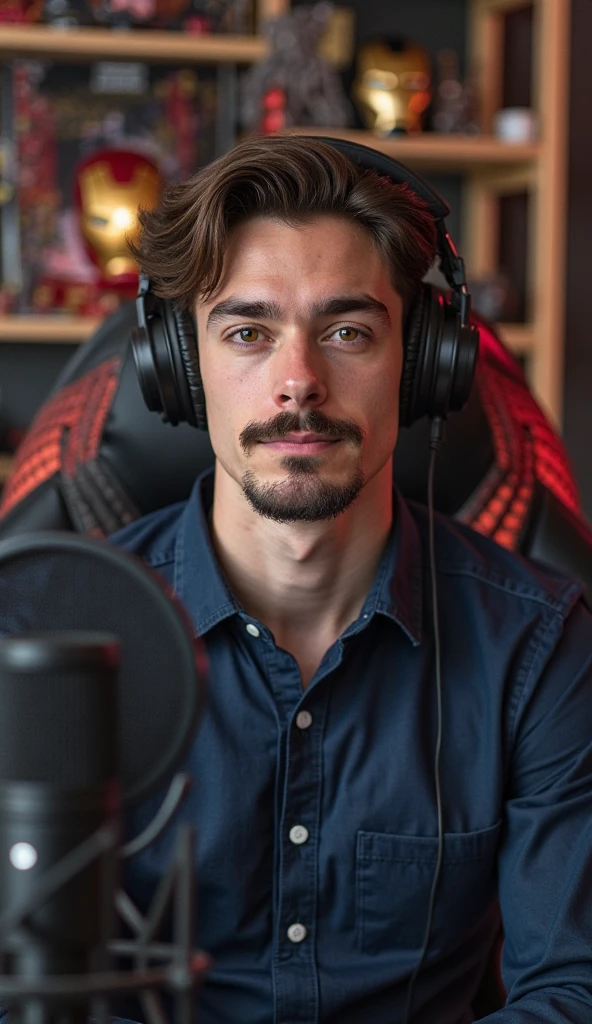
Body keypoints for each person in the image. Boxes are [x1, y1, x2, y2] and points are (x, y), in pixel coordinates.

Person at [111, 136, 592, 1023]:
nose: (298, 382)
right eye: (248, 332)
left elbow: (574, 988)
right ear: (181, 367)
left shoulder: (542, 643)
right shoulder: (51, 632)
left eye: (347, 332)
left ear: (422, 364)